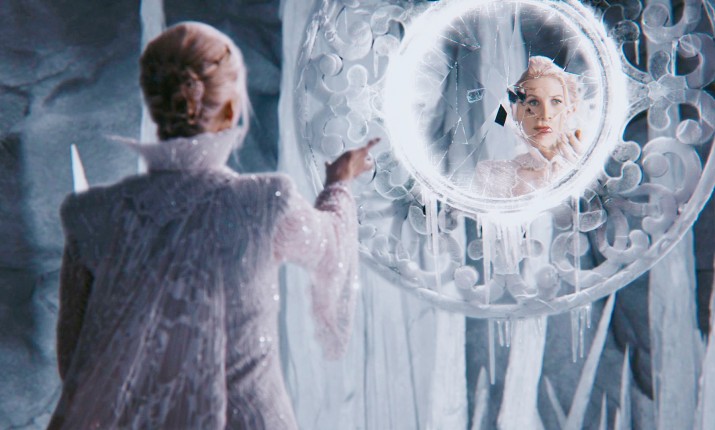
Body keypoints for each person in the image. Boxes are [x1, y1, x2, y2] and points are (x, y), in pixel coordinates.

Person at [49, 22, 375, 429]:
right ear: (232, 109)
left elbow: (74, 361)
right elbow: (331, 247)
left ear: (155, 105)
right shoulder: (264, 204)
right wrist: (339, 183)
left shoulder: (93, 216)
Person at [473, 56, 583, 198]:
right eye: (533, 102)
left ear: (570, 110)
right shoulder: (491, 176)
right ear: (516, 112)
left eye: (556, 101)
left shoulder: (588, 168)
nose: (545, 115)